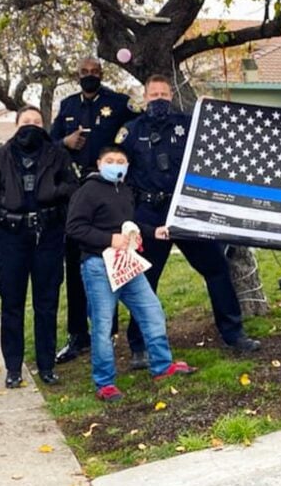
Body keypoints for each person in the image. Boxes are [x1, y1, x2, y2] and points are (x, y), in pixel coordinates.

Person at [116, 74, 260, 356]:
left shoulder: (188, 125)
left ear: (172, 97)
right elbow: (118, 166)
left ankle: (234, 334)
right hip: (150, 214)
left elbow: (217, 146)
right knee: (145, 279)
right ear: (144, 98)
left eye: (164, 95)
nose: (159, 99)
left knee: (216, 269)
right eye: (154, 94)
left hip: (186, 212)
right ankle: (139, 345)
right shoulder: (131, 131)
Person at [65, 144, 197, 401]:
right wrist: (108, 239)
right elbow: (74, 228)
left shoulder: (124, 191)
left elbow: (130, 224)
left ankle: (162, 365)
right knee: (103, 325)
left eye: (121, 160)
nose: (116, 164)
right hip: (98, 266)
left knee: (152, 310)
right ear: (100, 164)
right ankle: (104, 383)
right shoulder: (87, 191)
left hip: (127, 264)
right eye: (111, 160)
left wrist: (152, 231)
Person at [0, 106, 77, 387]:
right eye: (26, 121)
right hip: (12, 237)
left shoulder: (58, 155)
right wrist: (3, 203)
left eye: (37, 121)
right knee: (12, 304)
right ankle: (13, 368)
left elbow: (73, 186)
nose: (31, 125)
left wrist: (53, 195)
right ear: (16, 124)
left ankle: (46, 366)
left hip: (48, 237)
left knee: (46, 304)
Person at [50, 57, 141, 365]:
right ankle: (77, 335)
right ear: (77, 77)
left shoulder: (117, 103)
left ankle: (109, 330)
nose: (89, 76)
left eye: (94, 72)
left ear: (102, 75)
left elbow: (135, 127)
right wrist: (66, 141)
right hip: (75, 191)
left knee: (111, 261)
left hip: (107, 189)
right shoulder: (67, 106)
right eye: (84, 73)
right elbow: (50, 143)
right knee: (76, 265)